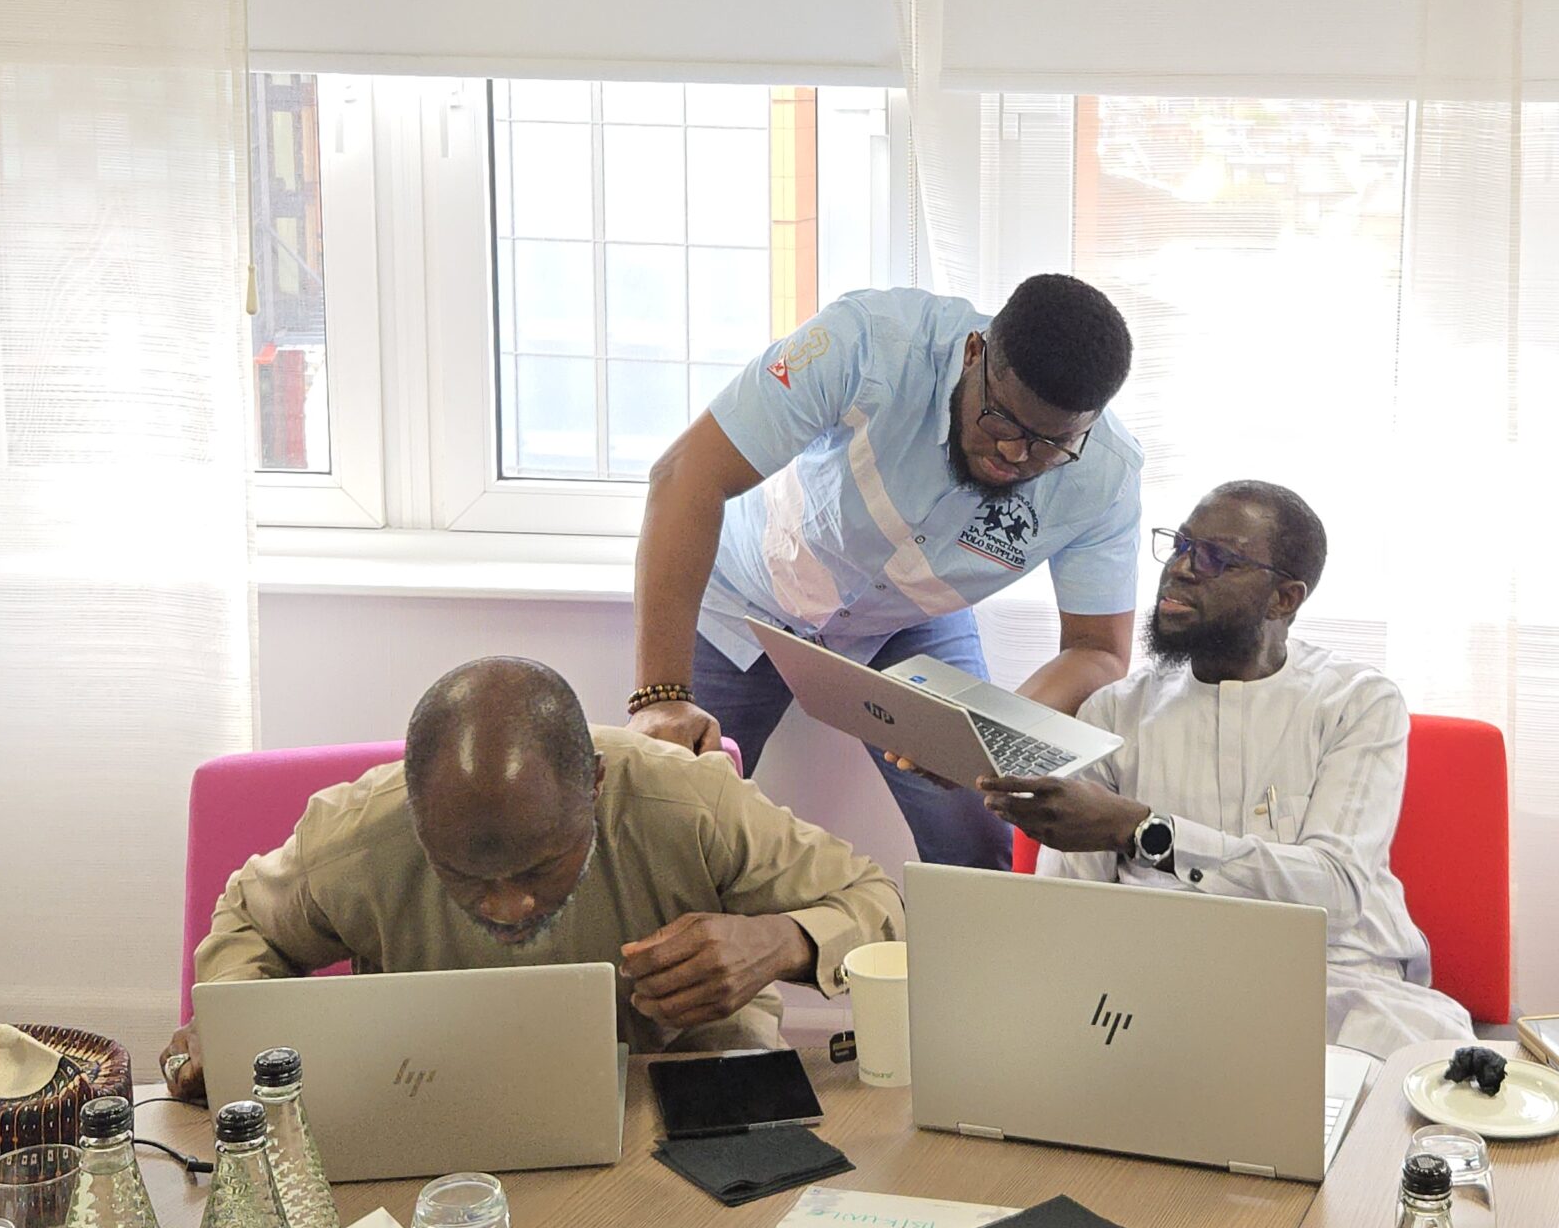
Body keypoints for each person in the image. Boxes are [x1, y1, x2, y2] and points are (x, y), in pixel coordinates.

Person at [159, 656, 902, 1100]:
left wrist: (782, 942)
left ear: (596, 786)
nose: (509, 904)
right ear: (415, 819)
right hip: (438, 1116)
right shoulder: (357, 838)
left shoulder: (691, 803)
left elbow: (878, 904)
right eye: (463, 873)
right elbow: (249, 922)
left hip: (685, 1100)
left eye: (542, 865)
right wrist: (236, 1029)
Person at [626, 278, 1144, 870]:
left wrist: (989, 734)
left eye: (1050, 444)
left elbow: (1098, 650)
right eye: (1001, 422)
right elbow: (686, 474)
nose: (1015, 455)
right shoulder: (870, 341)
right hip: (748, 589)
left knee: (977, 840)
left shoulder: (1107, 478)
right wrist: (660, 697)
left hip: (906, 623)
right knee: (668, 813)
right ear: (973, 353)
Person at [982, 481, 1471, 1062]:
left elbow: (1335, 891)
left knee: (1418, 1086)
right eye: (1181, 545)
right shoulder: (1115, 711)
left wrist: (1144, 831)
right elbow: (1069, 911)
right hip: (1160, 983)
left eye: (1216, 558)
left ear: (1283, 598)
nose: (1181, 569)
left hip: (1334, 980)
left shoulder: (1356, 702)